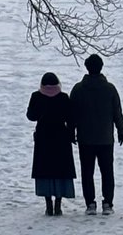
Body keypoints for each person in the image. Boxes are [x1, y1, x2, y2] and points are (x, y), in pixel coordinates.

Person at [70, 54, 123, 215]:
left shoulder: (78, 89)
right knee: (107, 172)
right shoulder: (110, 89)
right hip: (105, 138)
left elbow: (72, 114)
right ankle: (108, 203)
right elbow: (117, 113)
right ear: (101, 67)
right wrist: (121, 131)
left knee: (87, 172)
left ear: (87, 68)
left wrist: (71, 132)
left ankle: (90, 204)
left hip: (85, 138)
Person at [27, 71, 77, 216]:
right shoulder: (63, 97)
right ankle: (58, 204)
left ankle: (48, 204)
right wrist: (71, 134)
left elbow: (31, 116)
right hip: (61, 137)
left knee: (45, 170)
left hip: (43, 137)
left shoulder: (36, 96)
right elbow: (71, 117)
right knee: (60, 170)